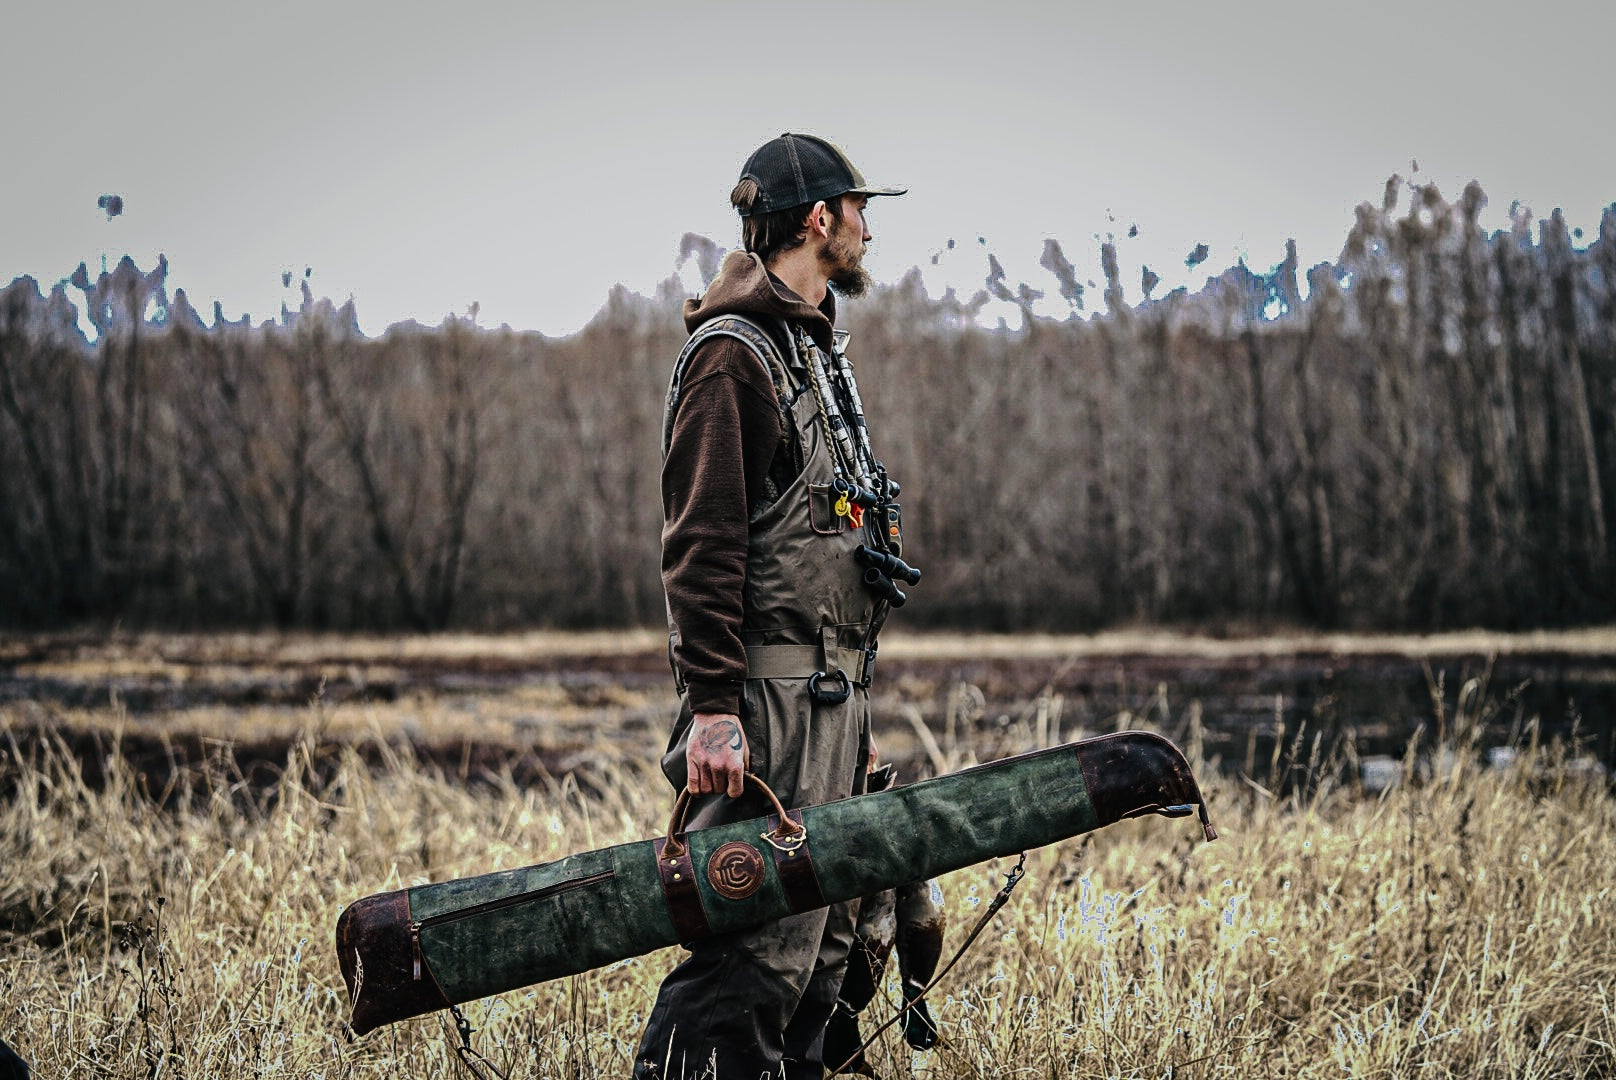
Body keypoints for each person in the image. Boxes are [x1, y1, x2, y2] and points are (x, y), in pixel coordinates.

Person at [634, 132, 911, 1080]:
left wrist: (857, 714)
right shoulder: (732, 358)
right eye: (860, 210)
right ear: (817, 218)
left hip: (832, 702)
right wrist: (714, 708)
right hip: (766, 711)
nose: (870, 231)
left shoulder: (813, 350)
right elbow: (701, 548)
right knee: (756, 959)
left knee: (827, 961)